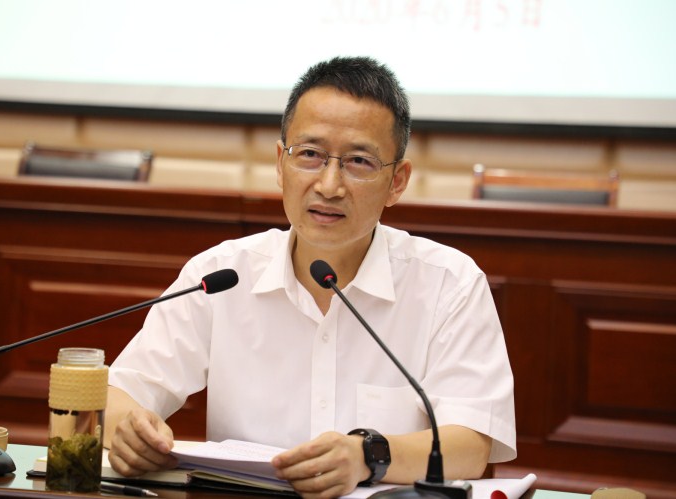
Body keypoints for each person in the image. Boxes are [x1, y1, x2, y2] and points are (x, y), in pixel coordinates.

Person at [104, 56, 516, 498]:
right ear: (280, 164)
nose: (329, 185)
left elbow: (470, 444)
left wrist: (367, 456)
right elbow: (118, 394)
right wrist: (131, 430)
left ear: (397, 181)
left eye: (358, 161)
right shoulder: (221, 275)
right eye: (310, 155)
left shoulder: (449, 284)